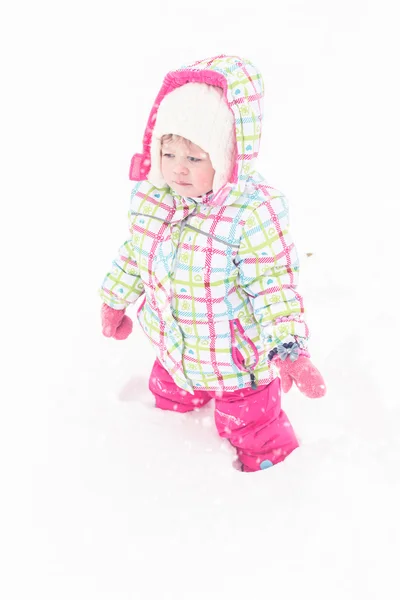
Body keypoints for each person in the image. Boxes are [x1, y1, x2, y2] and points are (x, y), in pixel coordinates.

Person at [99, 54, 326, 472]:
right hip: (172, 350)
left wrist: (290, 349)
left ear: (226, 157)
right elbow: (135, 252)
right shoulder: (154, 198)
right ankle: (164, 439)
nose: (177, 169)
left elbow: (273, 285)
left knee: (255, 428)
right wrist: (115, 300)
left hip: (237, 363)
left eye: (194, 158)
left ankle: (275, 479)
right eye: (168, 153)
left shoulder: (251, 213)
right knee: (167, 405)